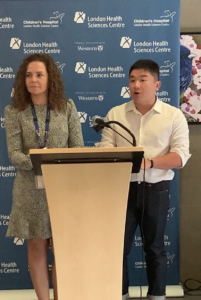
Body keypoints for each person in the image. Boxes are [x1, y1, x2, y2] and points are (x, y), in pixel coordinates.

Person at [98, 59, 191, 300]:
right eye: (132, 80)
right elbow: (106, 150)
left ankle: (157, 296)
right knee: (118, 249)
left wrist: (149, 162)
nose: (136, 85)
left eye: (142, 80)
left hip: (156, 189)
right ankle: (120, 295)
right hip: (122, 190)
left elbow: (180, 157)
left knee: (155, 249)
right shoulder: (115, 114)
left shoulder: (173, 115)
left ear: (157, 84)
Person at [4, 53, 84, 300]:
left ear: (51, 78)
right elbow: (14, 154)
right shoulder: (14, 110)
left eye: (39, 74)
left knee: (61, 250)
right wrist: (39, 161)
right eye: (28, 75)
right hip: (30, 190)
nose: (33, 80)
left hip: (63, 188)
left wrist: (55, 164)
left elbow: (78, 149)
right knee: (37, 248)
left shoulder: (66, 108)